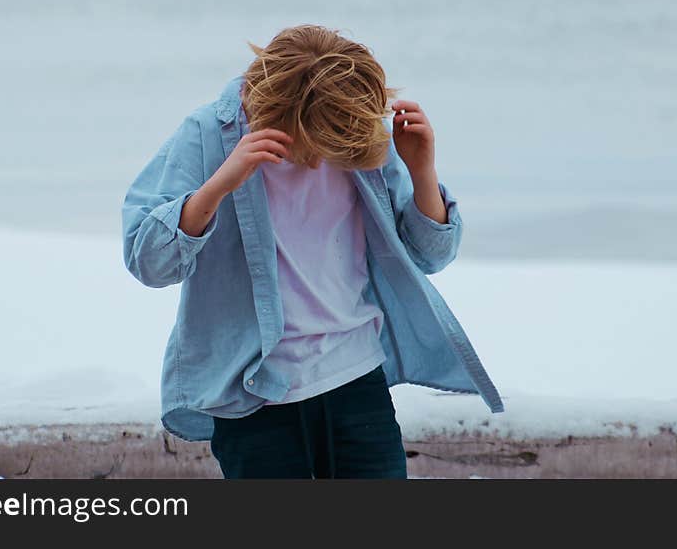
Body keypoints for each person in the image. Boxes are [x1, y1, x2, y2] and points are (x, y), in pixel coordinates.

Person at [121, 24, 504, 479]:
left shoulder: (353, 130)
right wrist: (221, 183)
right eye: (317, 140)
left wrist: (421, 169)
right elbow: (147, 261)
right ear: (282, 113)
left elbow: (430, 256)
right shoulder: (208, 133)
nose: (326, 157)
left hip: (358, 382)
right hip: (255, 397)